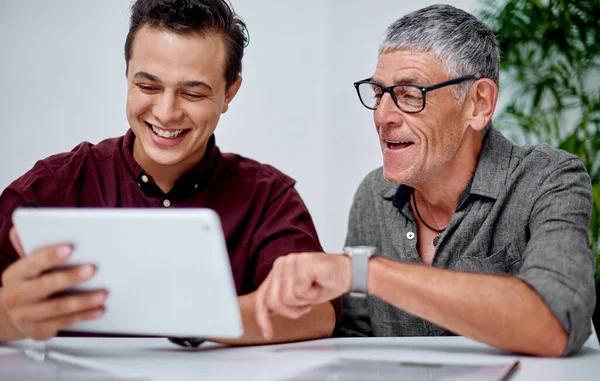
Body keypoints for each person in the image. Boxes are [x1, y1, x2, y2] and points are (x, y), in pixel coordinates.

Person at [254, 4, 595, 357]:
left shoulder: (548, 179)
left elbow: (556, 324)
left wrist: (363, 272)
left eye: (410, 95)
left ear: (478, 104)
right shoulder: (374, 195)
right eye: (378, 94)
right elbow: (355, 345)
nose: (383, 117)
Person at [0, 0, 338, 344]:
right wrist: (11, 317)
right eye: (148, 86)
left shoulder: (268, 197)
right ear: (128, 74)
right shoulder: (55, 186)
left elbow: (317, 313)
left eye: (192, 92)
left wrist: (187, 317)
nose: (165, 112)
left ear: (229, 94)